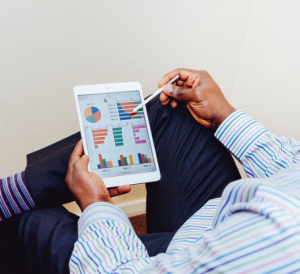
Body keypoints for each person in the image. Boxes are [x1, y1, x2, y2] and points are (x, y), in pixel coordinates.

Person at [1, 68, 300, 273]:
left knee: (30, 221)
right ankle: (8, 194)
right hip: (222, 221)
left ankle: (10, 208)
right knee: (176, 108)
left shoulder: (284, 237)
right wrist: (225, 116)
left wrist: (98, 206)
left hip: (190, 256)